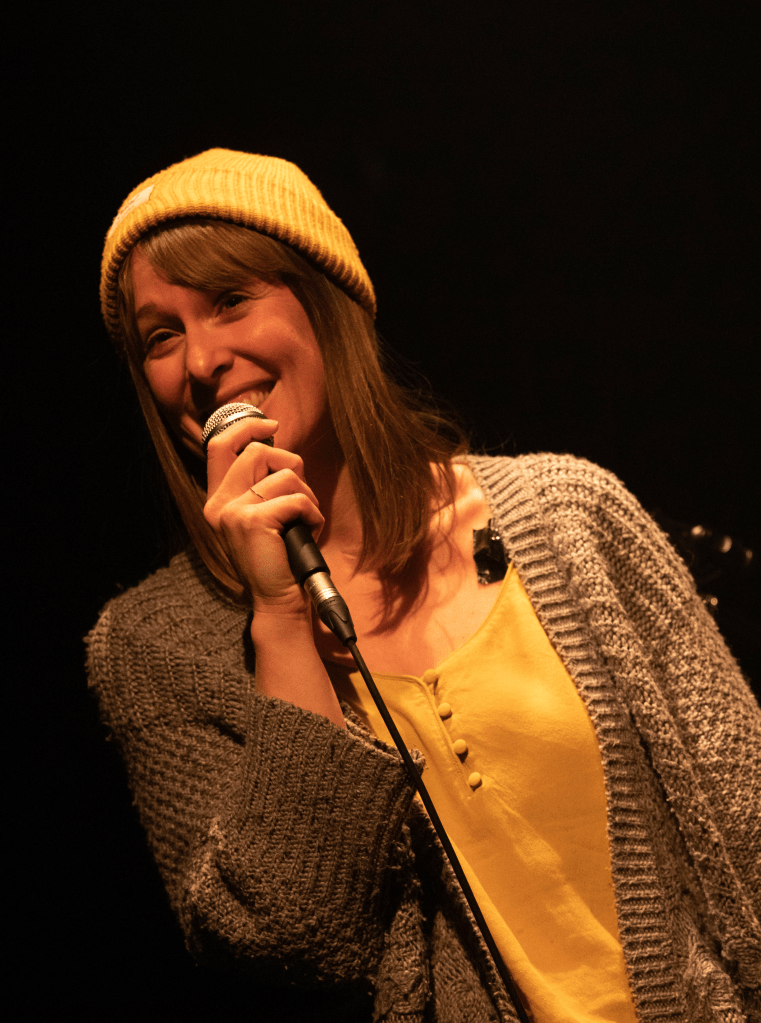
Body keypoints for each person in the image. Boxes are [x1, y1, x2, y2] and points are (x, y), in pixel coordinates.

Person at [86, 148, 761, 1022]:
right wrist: (281, 613)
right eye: (161, 336)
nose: (203, 359)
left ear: (325, 303)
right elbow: (289, 937)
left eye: (228, 300)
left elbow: (743, 819)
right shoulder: (151, 645)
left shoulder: (569, 515)